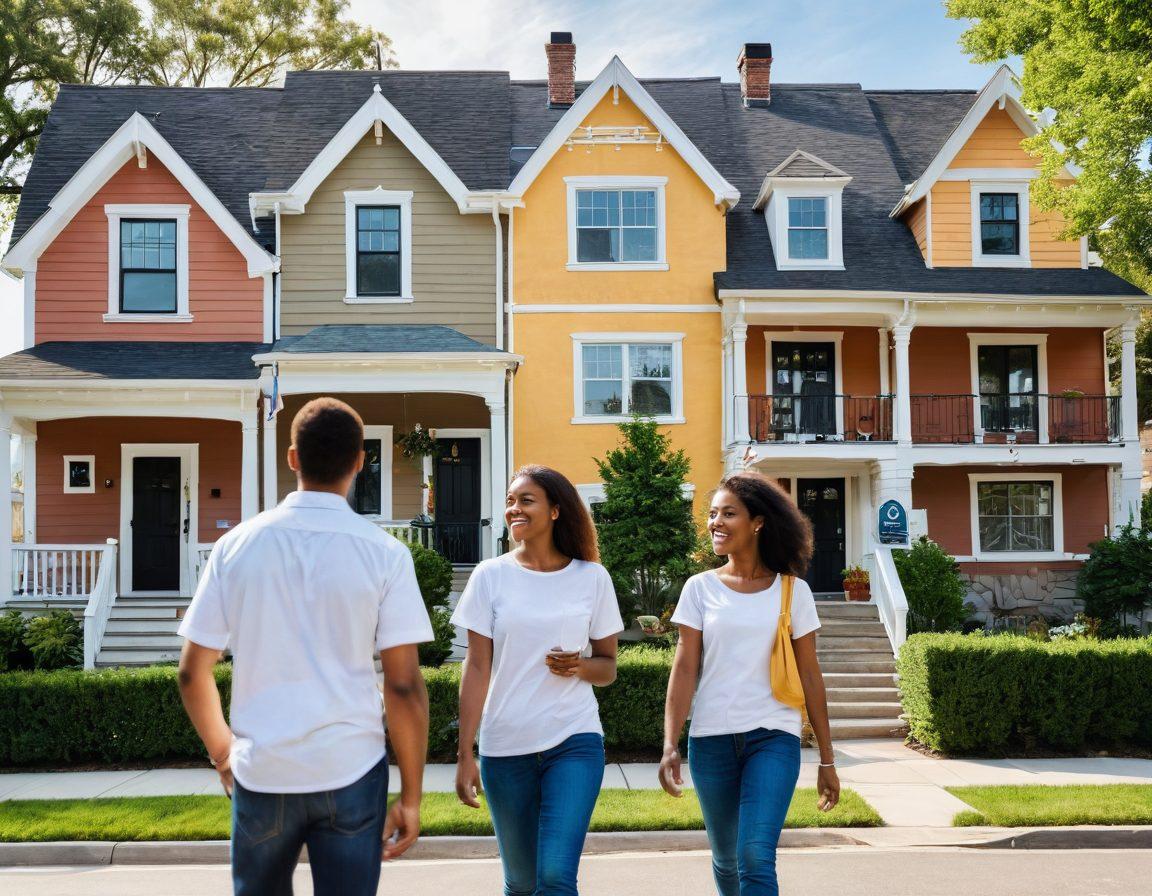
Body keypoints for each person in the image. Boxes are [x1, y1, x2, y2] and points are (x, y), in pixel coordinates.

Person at [177, 397, 433, 895]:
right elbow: (403, 686)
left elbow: (192, 672)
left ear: (292, 458)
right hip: (351, 768)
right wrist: (413, 798)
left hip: (263, 771)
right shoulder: (385, 553)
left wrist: (224, 757)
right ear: (362, 461)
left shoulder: (236, 547)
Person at [659, 471, 840, 896]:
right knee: (726, 862)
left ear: (758, 522)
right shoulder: (699, 588)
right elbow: (684, 669)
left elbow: (811, 676)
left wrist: (827, 761)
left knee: (756, 856)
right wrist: (670, 743)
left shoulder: (793, 591)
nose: (716, 522)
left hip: (772, 736)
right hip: (711, 739)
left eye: (729, 513)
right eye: (712, 514)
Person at [451, 465, 624, 896]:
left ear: (555, 511)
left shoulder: (591, 578)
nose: (514, 509)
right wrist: (464, 752)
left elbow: (607, 667)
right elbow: (476, 668)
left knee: (555, 876)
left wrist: (580, 667)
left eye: (526, 500)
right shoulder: (489, 576)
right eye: (511, 501)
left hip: (573, 739)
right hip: (505, 746)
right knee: (523, 882)